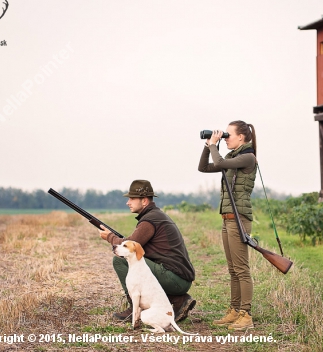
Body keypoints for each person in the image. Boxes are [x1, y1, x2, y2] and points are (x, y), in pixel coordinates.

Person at [99, 179, 196, 323]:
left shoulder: (150, 220)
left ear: (144, 201)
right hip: (179, 278)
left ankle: (135, 308)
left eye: (132, 199)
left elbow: (133, 244)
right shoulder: (154, 216)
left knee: (120, 260)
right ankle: (177, 300)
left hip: (175, 279)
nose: (128, 202)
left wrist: (110, 237)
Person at [198, 120, 257, 330]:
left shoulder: (247, 157)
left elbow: (220, 163)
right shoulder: (233, 157)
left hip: (239, 219)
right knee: (233, 269)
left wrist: (215, 145)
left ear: (241, 137)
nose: (225, 137)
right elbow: (203, 167)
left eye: (228, 134)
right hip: (227, 218)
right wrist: (208, 147)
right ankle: (234, 310)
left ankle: (246, 314)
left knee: (241, 269)